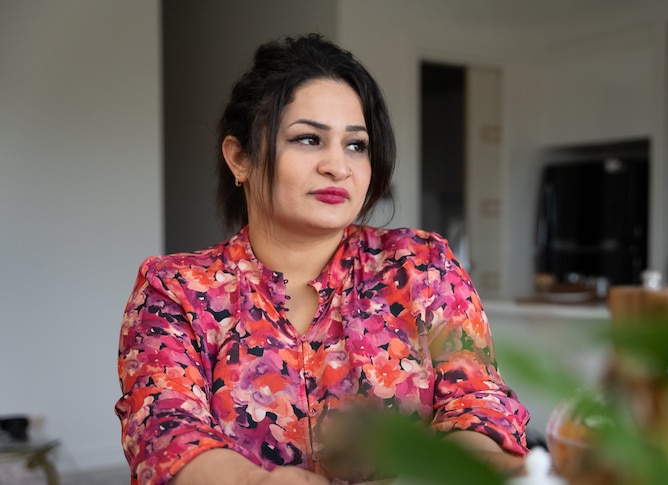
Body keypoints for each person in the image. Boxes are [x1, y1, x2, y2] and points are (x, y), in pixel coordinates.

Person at [115, 33, 530, 485]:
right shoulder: (174, 290)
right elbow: (167, 434)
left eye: (356, 145)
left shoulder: (422, 267)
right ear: (240, 158)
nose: (339, 166)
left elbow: (478, 402)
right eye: (309, 139)